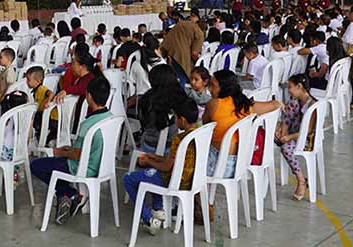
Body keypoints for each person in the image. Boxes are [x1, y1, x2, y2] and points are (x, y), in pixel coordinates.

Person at [30, 72, 112, 224]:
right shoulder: (110, 117)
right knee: (57, 161)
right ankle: (67, 195)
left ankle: (68, 193)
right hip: (102, 166)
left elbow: (77, 155)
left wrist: (59, 152)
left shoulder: (88, 124)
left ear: (88, 96)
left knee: (37, 165)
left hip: (81, 168)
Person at [123, 97, 201, 235]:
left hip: (172, 180)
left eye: (175, 118)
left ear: (182, 120)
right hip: (190, 179)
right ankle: (158, 210)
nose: (175, 121)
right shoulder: (200, 133)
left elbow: (166, 167)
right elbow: (174, 160)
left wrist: (148, 161)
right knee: (152, 172)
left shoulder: (179, 139)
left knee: (129, 178)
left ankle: (148, 218)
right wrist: (155, 157)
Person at [203, 70, 282, 179]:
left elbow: (205, 127)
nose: (209, 89)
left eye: (213, 85)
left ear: (224, 87)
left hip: (217, 166)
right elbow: (275, 105)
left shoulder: (213, 104)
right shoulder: (245, 104)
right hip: (240, 163)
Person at [275, 73, 318, 200]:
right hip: (292, 135)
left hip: (306, 139)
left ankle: (301, 180)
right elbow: (287, 120)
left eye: (290, 87)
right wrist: (282, 133)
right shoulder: (294, 102)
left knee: (286, 148)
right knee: (268, 136)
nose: (288, 90)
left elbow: (308, 130)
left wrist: (289, 137)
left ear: (299, 86)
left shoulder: (312, 105)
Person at [159, 11, 204, 79]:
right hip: (180, 54)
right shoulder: (200, 33)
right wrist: (198, 63)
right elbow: (194, 53)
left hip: (167, 47)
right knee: (182, 74)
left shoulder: (185, 23)